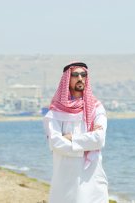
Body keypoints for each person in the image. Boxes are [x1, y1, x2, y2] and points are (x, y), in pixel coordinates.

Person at [44, 62, 108, 203]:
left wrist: (71, 138)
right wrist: (85, 145)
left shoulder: (96, 109)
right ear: (67, 79)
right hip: (65, 178)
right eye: (75, 74)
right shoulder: (54, 113)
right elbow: (55, 143)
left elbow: (99, 139)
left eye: (83, 74)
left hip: (91, 177)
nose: (80, 78)